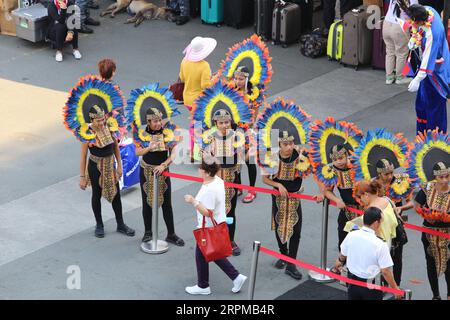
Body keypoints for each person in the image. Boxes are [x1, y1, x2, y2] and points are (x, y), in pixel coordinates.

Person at [184, 160, 247, 295]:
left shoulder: (209, 190)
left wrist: (193, 201)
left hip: (208, 227)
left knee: (206, 253)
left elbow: (207, 212)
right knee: (211, 253)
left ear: (206, 172)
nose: (198, 170)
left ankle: (204, 286)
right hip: (216, 224)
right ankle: (235, 277)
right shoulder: (217, 180)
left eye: (201, 168)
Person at [79, 106, 135, 238]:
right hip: (95, 167)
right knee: (96, 195)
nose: (101, 123)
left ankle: (120, 224)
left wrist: (120, 166)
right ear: (92, 119)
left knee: (116, 195)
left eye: (102, 119)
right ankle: (99, 225)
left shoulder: (110, 126)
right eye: (98, 120)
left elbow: (115, 147)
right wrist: (82, 176)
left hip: (110, 165)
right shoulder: (87, 132)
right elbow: (83, 157)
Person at [134, 108, 185, 246]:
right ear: (149, 121)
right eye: (155, 121)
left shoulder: (167, 132)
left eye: (160, 120)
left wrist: (164, 164)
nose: (158, 124)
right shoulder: (142, 134)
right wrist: (148, 148)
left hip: (163, 171)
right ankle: (148, 232)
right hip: (146, 171)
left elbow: (173, 153)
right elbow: (138, 152)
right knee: (147, 203)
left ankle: (171, 234)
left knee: (167, 203)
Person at [398, 3, 450, 133]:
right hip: (426, 72)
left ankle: (436, 143)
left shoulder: (434, 33)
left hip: (436, 72)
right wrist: (415, 38)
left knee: (435, 108)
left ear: (419, 21)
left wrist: (417, 79)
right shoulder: (427, 10)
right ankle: (421, 138)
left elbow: (428, 59)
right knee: (421, 106)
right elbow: (419, 30)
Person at [334, 207, 402, 300]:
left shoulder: (352, 235)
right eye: (381, 221)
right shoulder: (380, 244)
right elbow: (385, 271)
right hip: (371, 285)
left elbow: (343, 254)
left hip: (352, 281)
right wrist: (395, 288)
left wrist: (339, 261)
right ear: (376, 223)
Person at [202, 110, 244, 256]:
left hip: (232, 179)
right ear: (216, 124)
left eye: (227, 122)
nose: (225, 125)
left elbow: (242, 158)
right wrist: (209, 155)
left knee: (231, 211)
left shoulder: (237, 137)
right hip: (217, 180)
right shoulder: (210, 139)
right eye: (221, 123)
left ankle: (231, 240)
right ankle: (218, 240)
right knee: (215, 211)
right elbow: (206, 162)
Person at [373, 159, 413, 285]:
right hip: (379, 228)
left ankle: (397, 286)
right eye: (386, 174)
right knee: (379, 258)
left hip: (396, 227)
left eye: (391, 173)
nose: (390, 176)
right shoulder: (372, 185)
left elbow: (411, 201)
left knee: (397, 258)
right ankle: (380, 286)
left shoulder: (400, 180)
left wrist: (402, 207)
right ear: (379, 174)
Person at [179, 36, 219, 161]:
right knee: (201, 126)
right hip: (199, 101)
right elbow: (205, 85)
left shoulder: (184, 61)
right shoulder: (204, 66)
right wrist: (215, 78)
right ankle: (199, 152)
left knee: (194, 124)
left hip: (187, 99)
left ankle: (193, 151)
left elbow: (183, 77)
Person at [414, 162, 450, 300]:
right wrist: (426, 215)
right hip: (429, 233)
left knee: (449, 265)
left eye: (447, 176)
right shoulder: (427, 189)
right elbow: (417, 206)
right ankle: (436, 295)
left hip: (447, 234)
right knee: (431, 264)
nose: (445, 180)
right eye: (441, 177)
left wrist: (445, 218)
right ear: (435, 177)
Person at [320, 145, 362, 252]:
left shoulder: (358, 165)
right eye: (334, 159)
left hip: (364, 211)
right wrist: (337, 200)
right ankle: (343, 265)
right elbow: (327, 191)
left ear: (347, 155)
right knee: (344, 242)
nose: (338, 161)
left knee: (361, 242)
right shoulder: (332, 171)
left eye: (340, 158)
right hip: (346, 210)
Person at [231, 66, 260, 203]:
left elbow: (255, 116)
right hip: (234, 130)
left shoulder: (253, 95)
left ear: (247, 79)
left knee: (249, 161)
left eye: (241, 79)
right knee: (236, 160)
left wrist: (249, 129)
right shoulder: (232, 92)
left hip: (247, 131)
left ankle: (252, 190)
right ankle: (239, 187)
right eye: (236, 78)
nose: (238, 81)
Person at [350, 180, 399, 247]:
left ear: (366, 195)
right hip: (389, 240)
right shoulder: (387, 199)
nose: (360, 200)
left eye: (359, 197)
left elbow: (376, 233)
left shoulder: (371, 211)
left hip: (379, 246)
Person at [384, 0, 418, 85]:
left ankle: (389, 77)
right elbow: (416, 13)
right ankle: (400, 77)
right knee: (401, 53)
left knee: (390, 52)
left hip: (386, 24)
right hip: (400, 26)